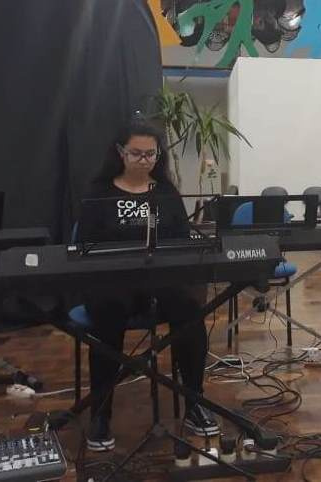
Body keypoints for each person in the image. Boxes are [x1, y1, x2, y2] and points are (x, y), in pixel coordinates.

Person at [78, 121, 219, 451]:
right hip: (113, 284)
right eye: (136, 153)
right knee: (107, 314)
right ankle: (100, 413)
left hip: (159, 281)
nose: (144, 160)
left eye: (150, 154)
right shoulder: (99, 193)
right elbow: (84, 244)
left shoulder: (166, 192)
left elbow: (181, 240)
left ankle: (194, 402)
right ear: (120, 153)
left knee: (189, 309)